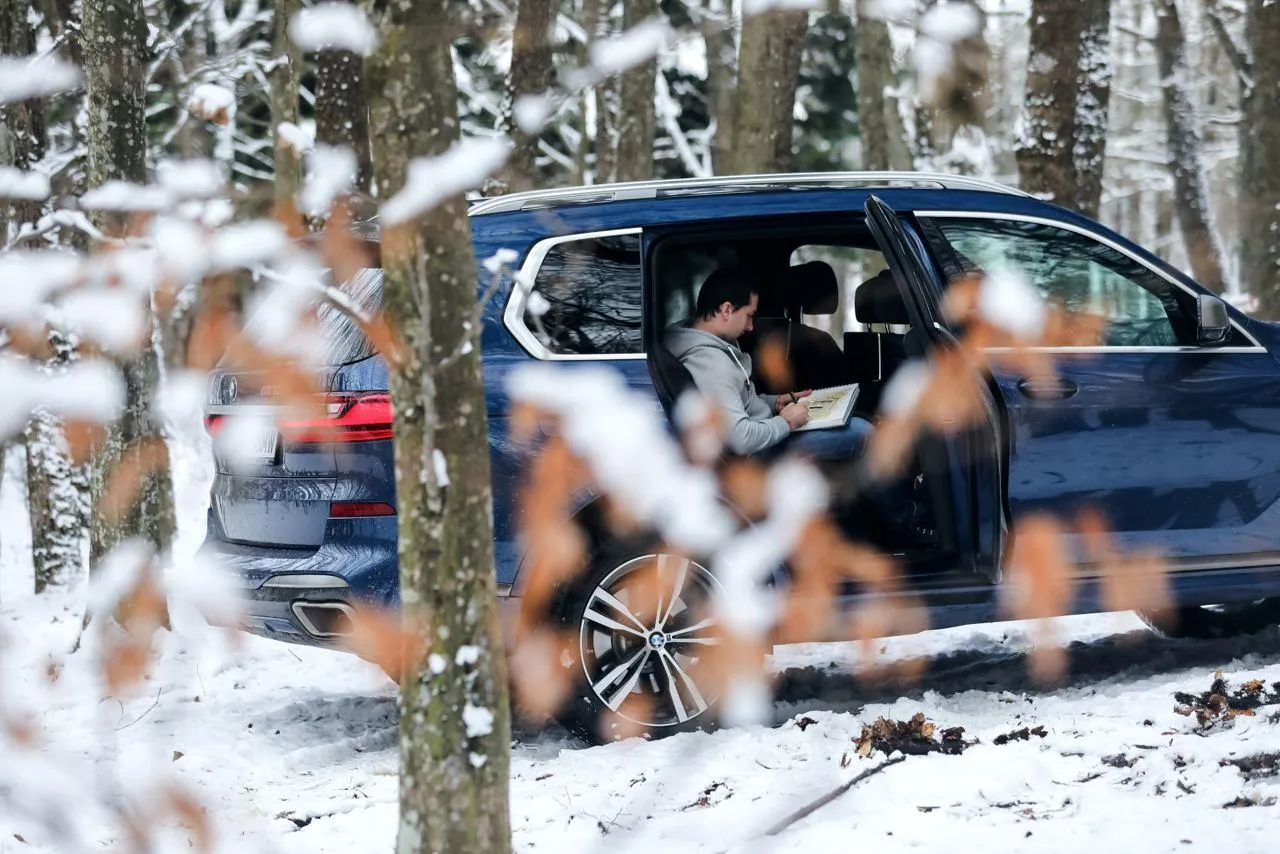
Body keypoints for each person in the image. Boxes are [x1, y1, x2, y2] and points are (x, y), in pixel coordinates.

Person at [664, 267, 874, 462]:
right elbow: (741, 439)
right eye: (749, 315)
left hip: (764, 435)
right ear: (726, 310)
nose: (750, 326)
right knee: (864, 432)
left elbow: (735, 403)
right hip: (755, 457)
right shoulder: (713, 364)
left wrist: (774, 403)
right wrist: (785, 422)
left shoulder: (696, 339)